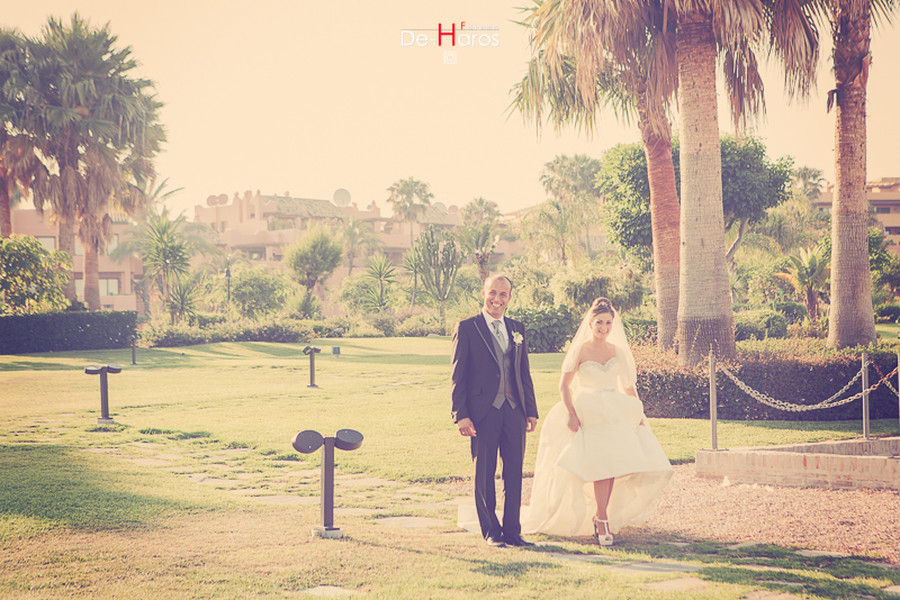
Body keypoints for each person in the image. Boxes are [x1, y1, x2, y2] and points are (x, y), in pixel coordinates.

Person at [522, 297, 672, 546]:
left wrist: (639, 415)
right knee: (600, 466)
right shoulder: (580, 350)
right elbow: (564, 386)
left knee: (610, 465)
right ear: (590, 323)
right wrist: (571, 413)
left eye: (608, 323)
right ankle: (601, 519)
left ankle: (601, 517)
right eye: (600, 322)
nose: (604, 327)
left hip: (614, 412)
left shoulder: (618, 352)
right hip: (588, 412)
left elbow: (628, 386)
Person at [451, 274, 539, 547]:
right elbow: (457, 375)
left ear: (510, 298)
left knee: (514, 473)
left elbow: (523, 372)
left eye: (503, 294)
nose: (497, 299)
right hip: (482, 412)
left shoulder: (517, 327)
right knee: (484, 473)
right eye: (493, 293)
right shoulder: (467, 328)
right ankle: (492, 532)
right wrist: (461, 414)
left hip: (514, 410)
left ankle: (513, 532)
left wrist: (531, 410)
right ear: (483, 293)